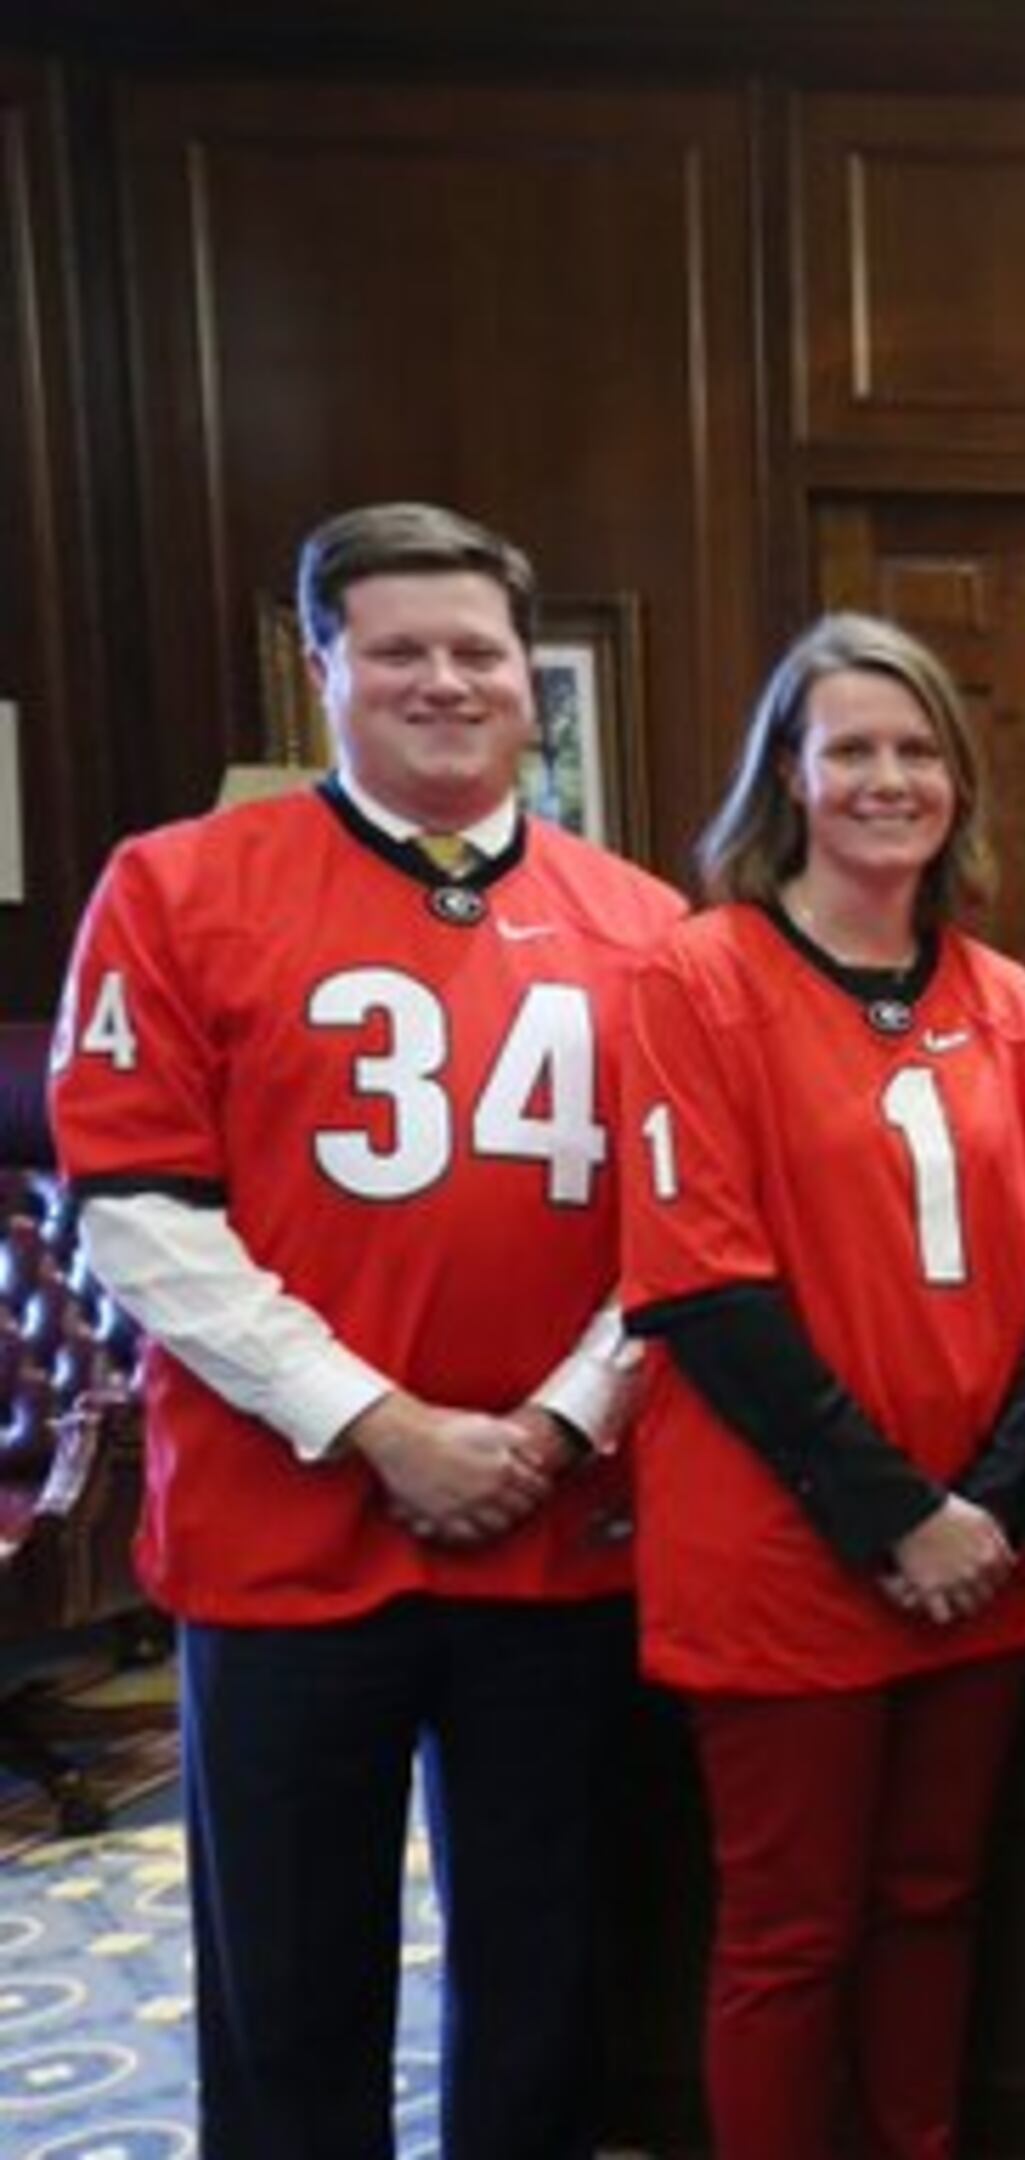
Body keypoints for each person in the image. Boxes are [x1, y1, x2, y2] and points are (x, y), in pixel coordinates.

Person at [50, 501, 684, 2158]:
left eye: (478, 652)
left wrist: (556, 1427)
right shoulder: (178, 886)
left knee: (547, 1977)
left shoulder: (647, 924)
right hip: (288, 1539)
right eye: (398, 649)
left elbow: (689, 1237)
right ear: (321, 667)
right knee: (291, 1979)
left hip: (556, 1536)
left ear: (525, 683)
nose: (444, 682)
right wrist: (377, 1422)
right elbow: (138, 1210)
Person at [618, 613, 1025, 2160]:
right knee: (790, 1932)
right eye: (853, 749)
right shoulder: (704, 977)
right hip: (787, 1551)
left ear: (957, 781)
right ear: (791, 779)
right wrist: (895, 1518)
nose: (890, 778)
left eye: (917, 750)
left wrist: (993, 1510)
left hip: (974, 1562)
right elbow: (698, 1283)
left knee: (936, 1908)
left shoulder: (1015, 1004)